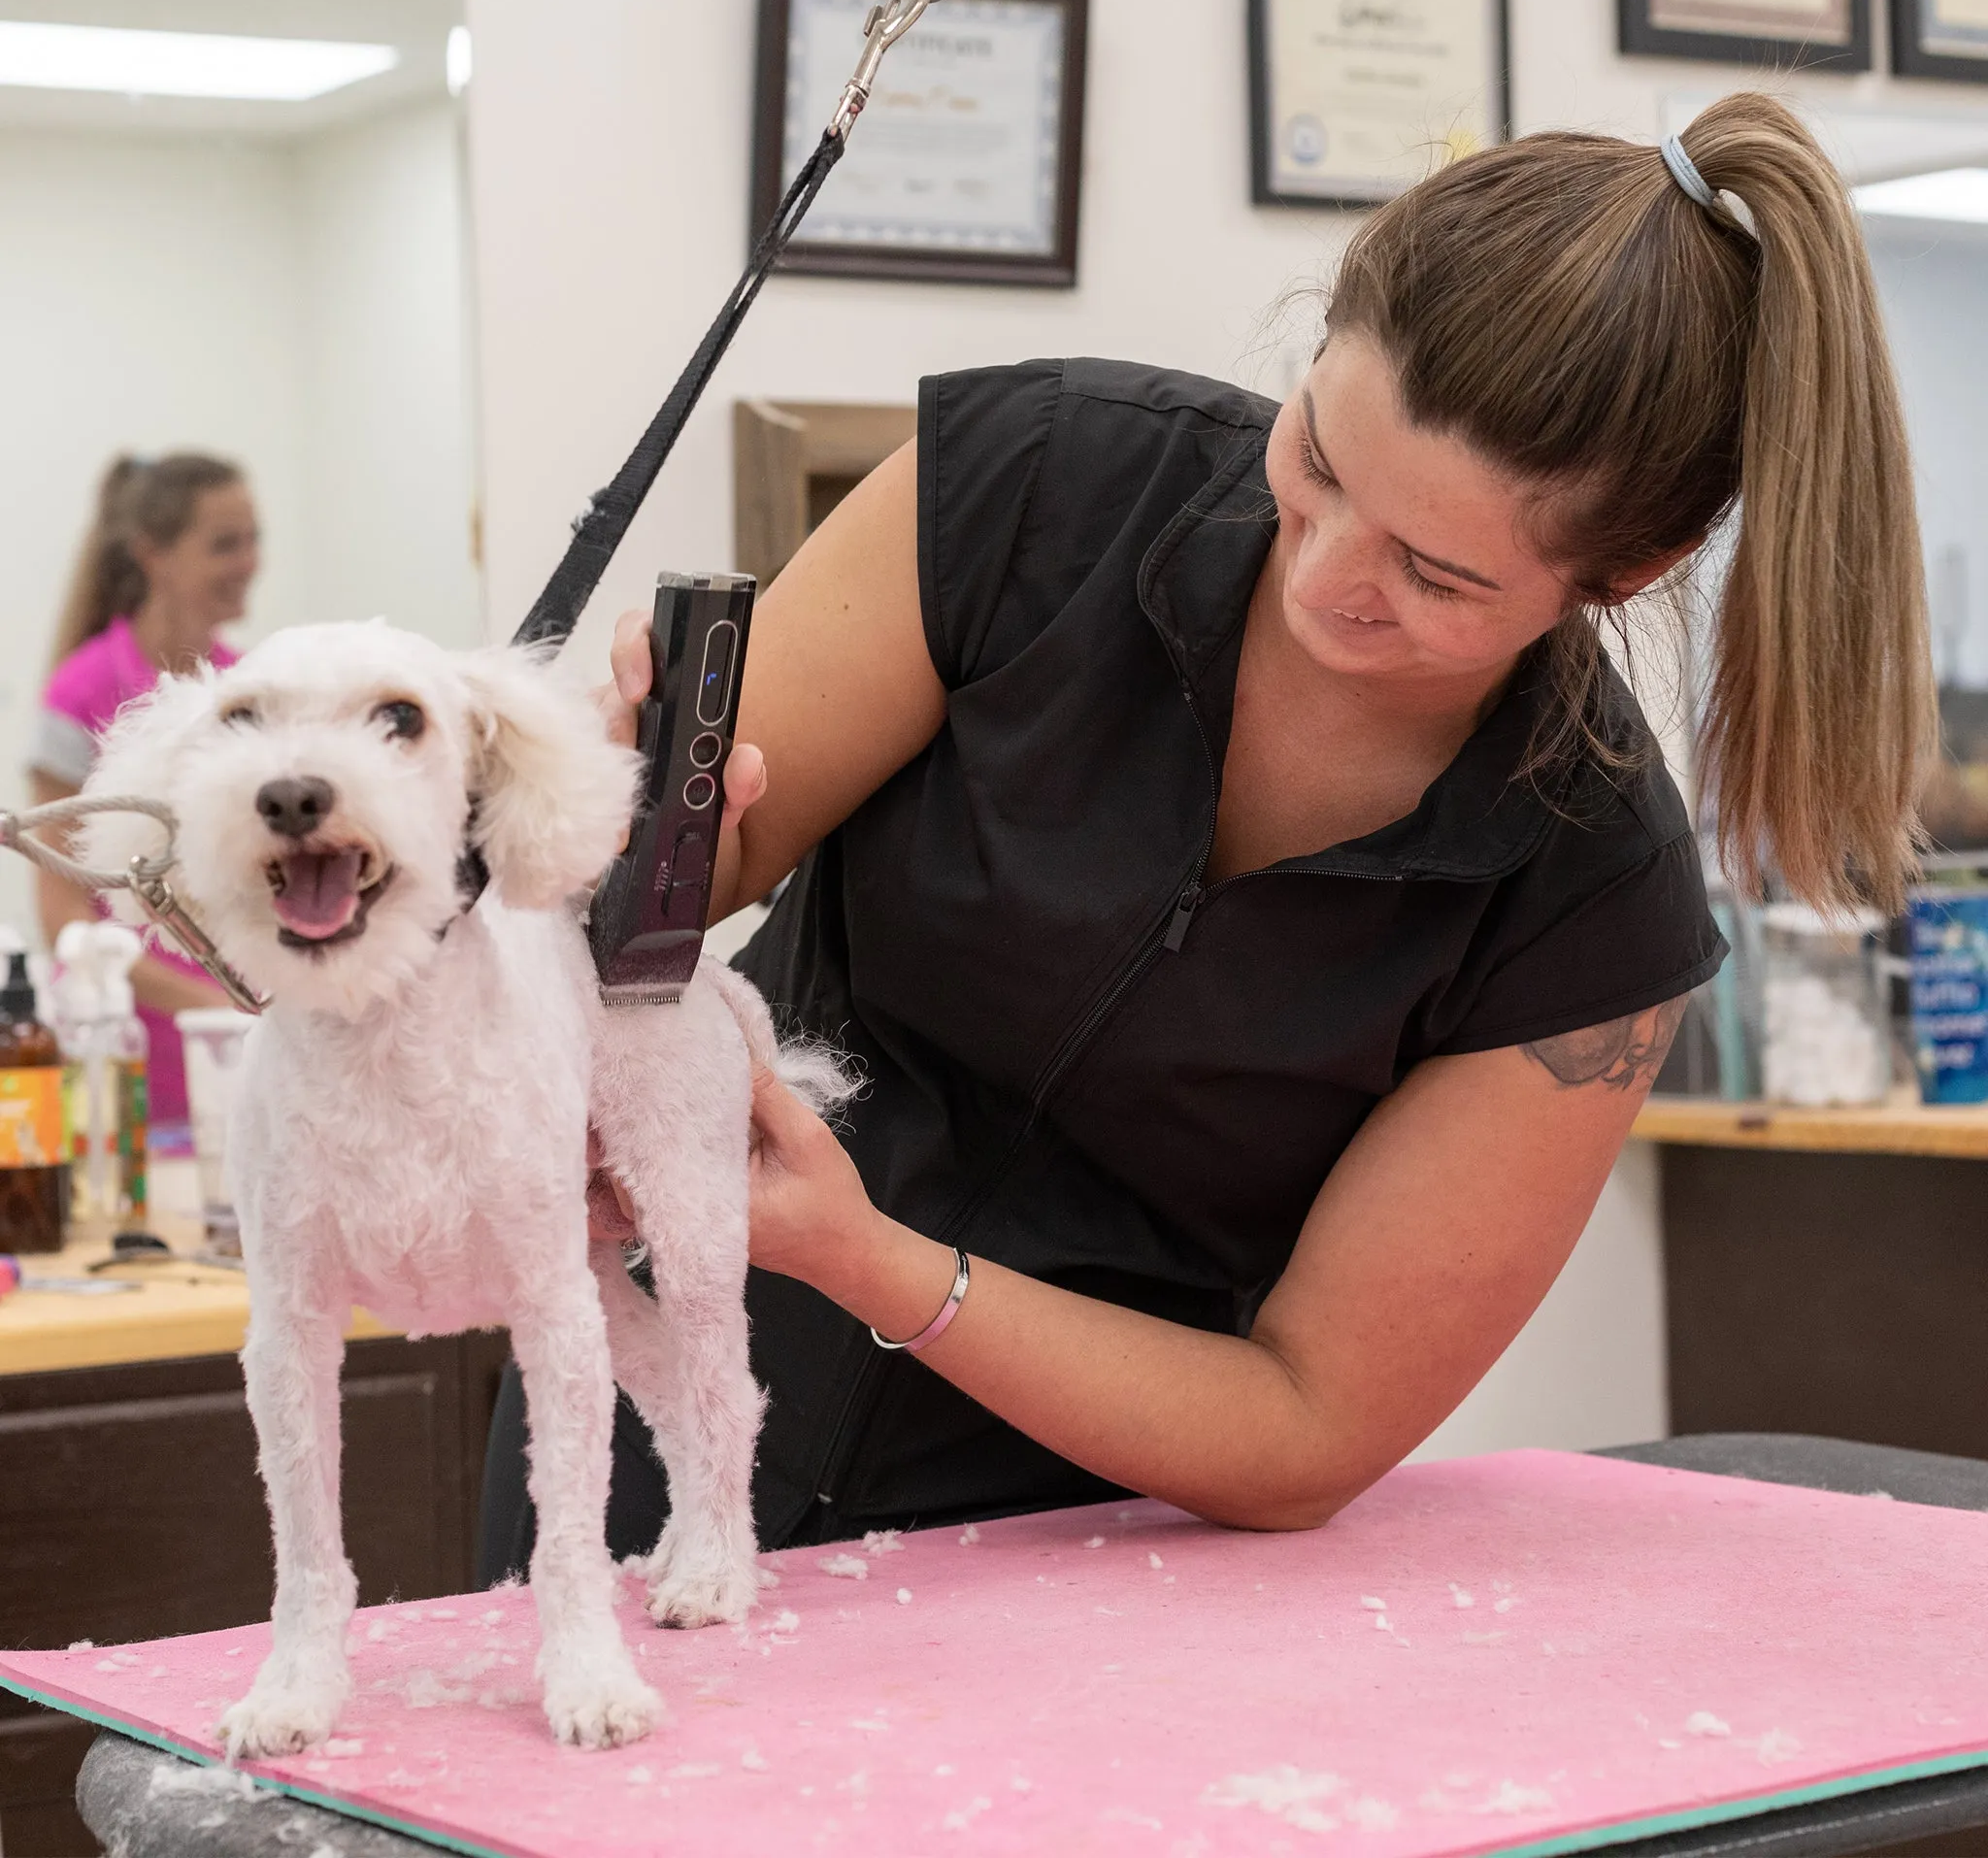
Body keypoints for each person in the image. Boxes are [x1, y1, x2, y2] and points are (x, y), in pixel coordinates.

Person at [479, 91, 1930, 1574]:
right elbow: (680, 876)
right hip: (653, 1407)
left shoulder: (1588, 901)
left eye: (1434, 575)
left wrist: (871, 1260)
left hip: (1095, 1546)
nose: (1325, 581)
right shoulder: (1036, 484)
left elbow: (1305, 1425)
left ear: (1630, 569)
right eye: (1319, 462)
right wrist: (596, 821)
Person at [29, 453, 262, 1128]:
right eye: (225, 543)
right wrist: (207, 1002)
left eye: (253, 539)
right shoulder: (76, 696)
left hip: (235, 1053)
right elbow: (62, 910)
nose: (249, 561)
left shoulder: (246, 685)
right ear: (152, 555)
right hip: (124, 1060)